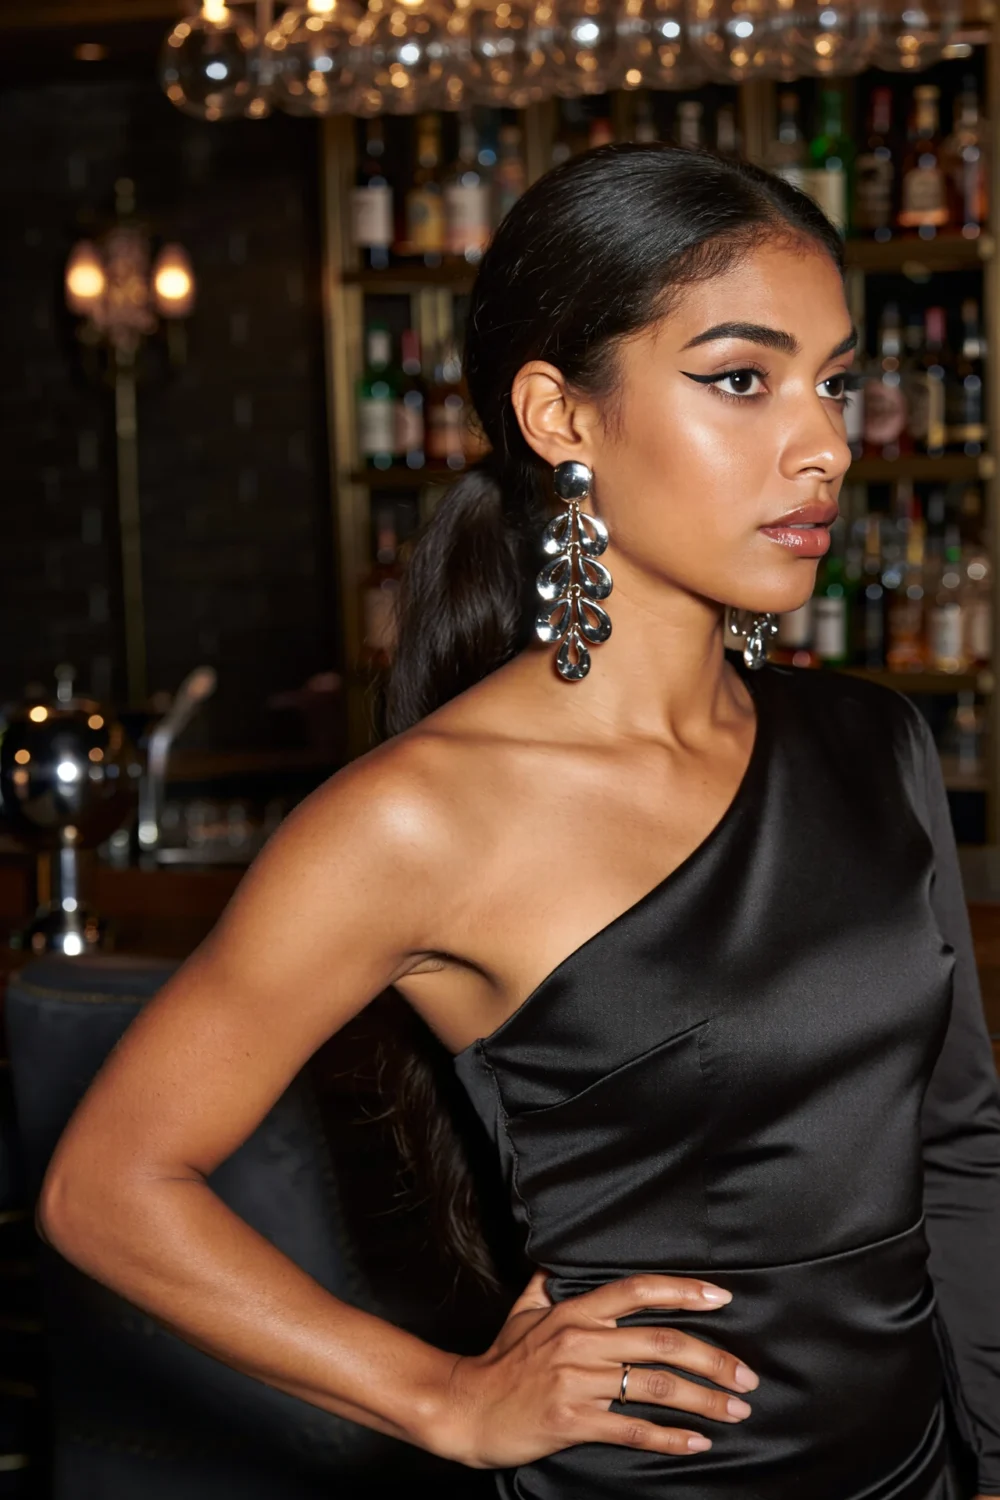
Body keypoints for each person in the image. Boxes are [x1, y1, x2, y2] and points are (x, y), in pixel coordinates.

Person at [38, 142, 1000, 1500]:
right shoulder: (419, 820)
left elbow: (960, 1149)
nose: (828, 443)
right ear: (559, 415)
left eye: (834, 380)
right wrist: (441, 1398)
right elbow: (109, 1185)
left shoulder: (870, 742)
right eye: (742, 379)